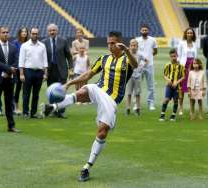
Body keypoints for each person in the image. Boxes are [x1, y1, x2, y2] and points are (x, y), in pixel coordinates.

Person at [42, 31, 137, 181]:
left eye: (113, 43)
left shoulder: (126, 60)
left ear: (119, 43)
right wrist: (69, 83)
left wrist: (126, 50)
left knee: (102, 133)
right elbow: (88, 74)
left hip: (111, 100)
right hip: (98, 89)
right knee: (83, 91)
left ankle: (87, 167)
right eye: (108, 43)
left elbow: (135, 64)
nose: (110, 46)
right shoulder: (103, 59)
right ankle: (53, 107)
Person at [0, 26, 20, 134]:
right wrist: (8, 69)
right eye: (3, 32)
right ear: (0, 34)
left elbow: (16, 61)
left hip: (9, 79)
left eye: (7, 32)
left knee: (9, 103)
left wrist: (9, 71)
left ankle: (11, 126)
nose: (5, 34)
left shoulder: (13, 47)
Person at [42, 23, 73, 118]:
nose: (52, 32)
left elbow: (69, 56)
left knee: (61, 91)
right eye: (50, 30)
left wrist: (71, 69)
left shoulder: (63, 41)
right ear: (48, 32)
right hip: (50, 71)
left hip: (61, 70)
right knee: (51, 91)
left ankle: (61, 112)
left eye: (53, 30)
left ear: (57, 31)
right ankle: (53, 110)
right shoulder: (44, 42)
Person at [19, 27, 48, 118]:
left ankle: (33, 112)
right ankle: (25, 112)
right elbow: (21, 61)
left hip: (39, 72)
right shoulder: (25, 45)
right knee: (26, 94)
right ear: (30, 34)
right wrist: (21, 73)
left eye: (36, 34)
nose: (35, 35)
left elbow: (45, 61)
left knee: (36, 94)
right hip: (28, 71)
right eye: (33, 33)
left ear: (38, 34)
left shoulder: (42, 46)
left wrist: (45, 73)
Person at [159, 49, 185, 122]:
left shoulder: (181, 66)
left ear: (177, 56)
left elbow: (183, 76)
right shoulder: (168, 65)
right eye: (172, 56)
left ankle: (173, 115)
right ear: (170, 57)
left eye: (175, 56)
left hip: (177, 86)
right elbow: (164, 75)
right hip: (169, 86)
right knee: (166, 99)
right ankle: (162, 114)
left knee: (176, 100)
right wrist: (168, 80)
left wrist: (177, 82)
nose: (173, 58)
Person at [136, 24, 157, 111]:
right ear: (140, 31)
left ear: (148, 31)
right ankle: (136, 104)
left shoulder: (152, 40)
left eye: (146, 30)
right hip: (139, 66)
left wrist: (149, 58)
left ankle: (151, 103)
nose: (144, 31)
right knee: (137, 85)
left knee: (151, 86)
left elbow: (155, 51)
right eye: (143, 30)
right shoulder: (137, 40)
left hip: (149, 65)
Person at [177, 27, 198, 115]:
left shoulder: (194, 44)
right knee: (182, 89)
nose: (189, 34)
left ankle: (191, 109)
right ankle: (180, 107)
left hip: (192, 68)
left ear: (193, 34)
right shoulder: (181, 43)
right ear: (185, 34)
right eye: (188, 33)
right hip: (183, 67)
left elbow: (196, 57)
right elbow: (178, 56)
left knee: (192, 89)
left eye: (191, 33)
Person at [125, 39, 147, 116]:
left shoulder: (140, 54)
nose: (133, 47)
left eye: (135, 45)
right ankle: (128, 108)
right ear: (129, 46)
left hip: (137, 76)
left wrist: (141, 67)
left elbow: (146, 60)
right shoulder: (127, 54)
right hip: (129, 76)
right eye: (132, 45)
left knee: (137, 93)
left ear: (137, 46)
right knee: (129, 93)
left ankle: (138, 108)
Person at [12, 27, 29, 115]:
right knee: (18, 87)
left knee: (26, 88)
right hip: (18, 68)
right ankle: (16, 106)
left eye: (25, 31)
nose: (24, 33)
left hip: (27, 68)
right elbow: (14, 55)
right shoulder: (15, 43)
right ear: (19, 33)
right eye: (22, 31)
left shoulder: (29, 43)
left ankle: (26, 108)